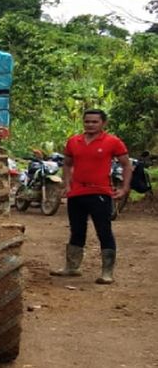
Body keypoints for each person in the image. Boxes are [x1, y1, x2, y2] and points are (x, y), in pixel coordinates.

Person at [50, 109, 131, 284]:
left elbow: (126, 165)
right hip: (77, 193)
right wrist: (67, 184)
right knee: (77, 230)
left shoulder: (112, 141)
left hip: (100, 193)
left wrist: (124, 188)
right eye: (87, 121)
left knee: (104, 231)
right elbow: (67, 164)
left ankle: (107, 272)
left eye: (95, 122)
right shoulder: (74, 141)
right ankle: (72, 267)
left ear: (103, 123)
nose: (90, 125)